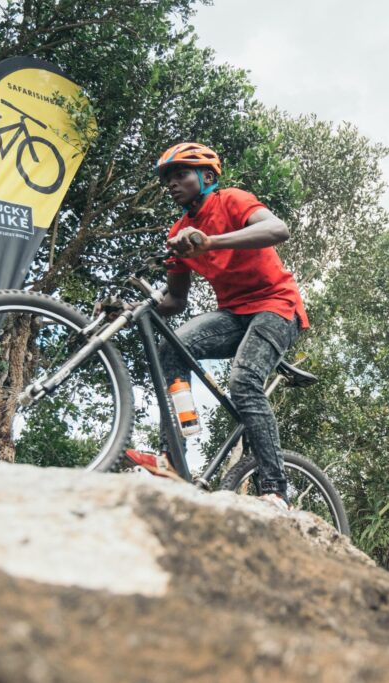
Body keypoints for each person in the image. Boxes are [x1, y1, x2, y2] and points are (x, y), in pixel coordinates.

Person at [124, 142, 308, 510]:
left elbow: (278, 229)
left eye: (180, 175)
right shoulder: (179, 233)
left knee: (243, 381)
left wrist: (210, 242)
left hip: (277, 306)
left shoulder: (232, 201)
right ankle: (173, 459)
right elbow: (175, 302)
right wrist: (130, 309)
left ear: (207, 177)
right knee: (172, 349)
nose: (172, 184)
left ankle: (275, 490)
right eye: (168, 180)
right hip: (234, 315)